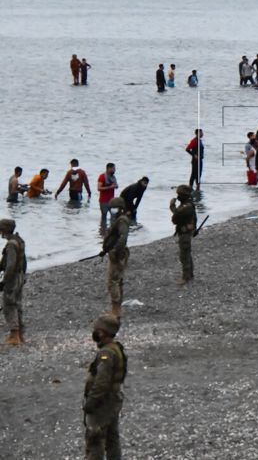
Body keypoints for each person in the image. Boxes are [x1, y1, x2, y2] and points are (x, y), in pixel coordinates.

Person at [83, 313, 127, 460]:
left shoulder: (106, 353)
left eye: (97, 330)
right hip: (114, 400)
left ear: (103, 332)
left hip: (103, 403)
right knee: (112, 438)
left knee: (95, 441)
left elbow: (101, 383)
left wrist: (90, 403)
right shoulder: (116, 349)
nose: (94, 332)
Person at [102, 197, 130, 316]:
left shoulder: (122, 220)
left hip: (118, 254)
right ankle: (117, 307)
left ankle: (115, 309)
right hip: (117, 252)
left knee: (113, 281)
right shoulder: (118, 219)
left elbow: (123, 238)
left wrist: (115, 251)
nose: (112, 210)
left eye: (114, 208)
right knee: (118, 280)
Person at [1, 218, 26, 345]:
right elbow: (23, 261)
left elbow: (10, 266)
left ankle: (14, 335)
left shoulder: (11, 245)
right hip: (20, 275)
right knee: (17, 303)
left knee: (9, 305)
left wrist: (4, 281)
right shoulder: (19, 240)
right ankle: (20, 335)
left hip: (13, 278)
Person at [169, 185, 196, 285]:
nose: (178, 196)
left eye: (179, 194)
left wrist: (172, 206)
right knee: (187, 253)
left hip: (184, 233)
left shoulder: (186, 206)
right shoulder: (188, 204)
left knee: (184, 255)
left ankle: (186, 277)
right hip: (185, 231)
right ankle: (190, 275)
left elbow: (176, 216)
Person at [96, 163, 119, 229]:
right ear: (109, 169)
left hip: (112, 201)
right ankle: (103, 230)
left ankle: (112, 230)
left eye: (115, 169)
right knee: (104, 216)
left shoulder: (113, 177)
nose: (114, 170)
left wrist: (115, 186)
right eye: (113, 169)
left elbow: (116, 186)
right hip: (103, 201)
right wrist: (110, 187)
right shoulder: (102, 177)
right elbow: (99, 188)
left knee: (114, 216)